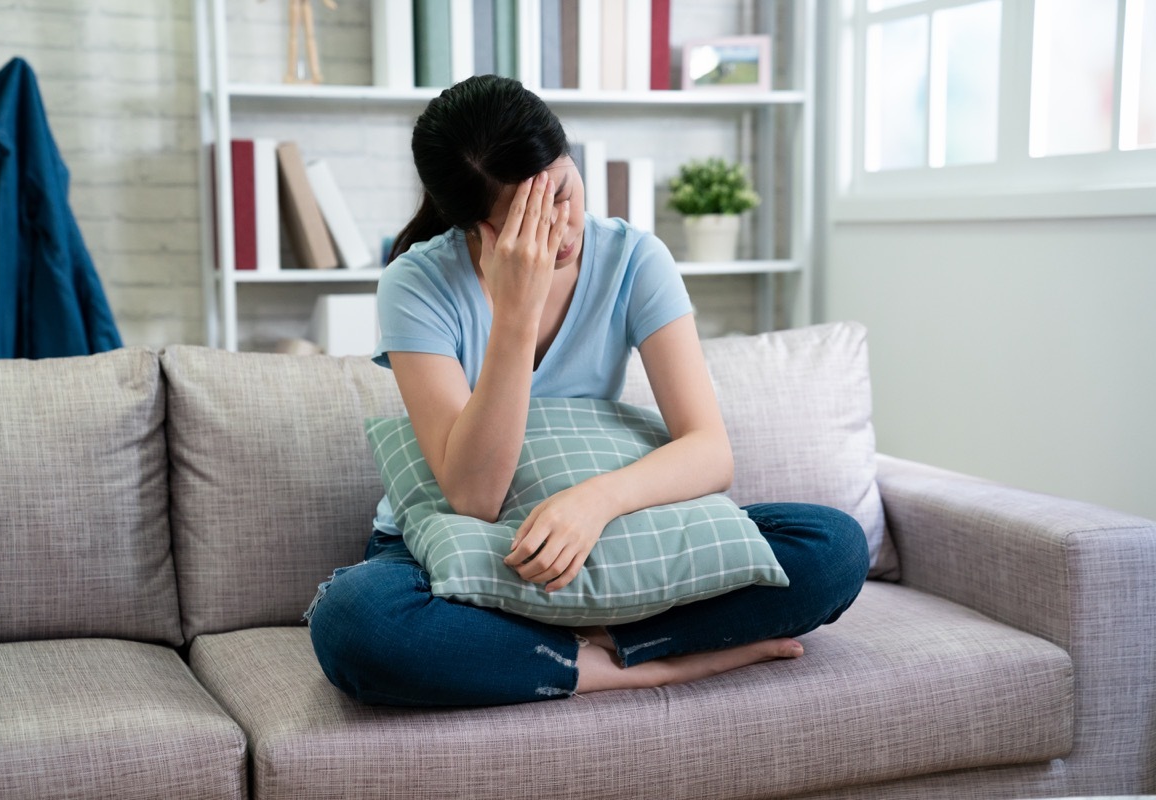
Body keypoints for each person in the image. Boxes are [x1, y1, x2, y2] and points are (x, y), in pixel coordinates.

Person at [305, 75, 868, 708]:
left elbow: (709, 451)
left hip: (608, 534)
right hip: (462, 542)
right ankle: (625, 663)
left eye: (563, 193)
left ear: (571, 159)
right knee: (358, 621)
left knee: (834, 548)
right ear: (477, 228)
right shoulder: (416, 284)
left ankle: (553, 649)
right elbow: (473, 497)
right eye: (524, 220)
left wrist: (592, 503)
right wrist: (515, 316)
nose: (561, 230)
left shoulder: (635, 260)